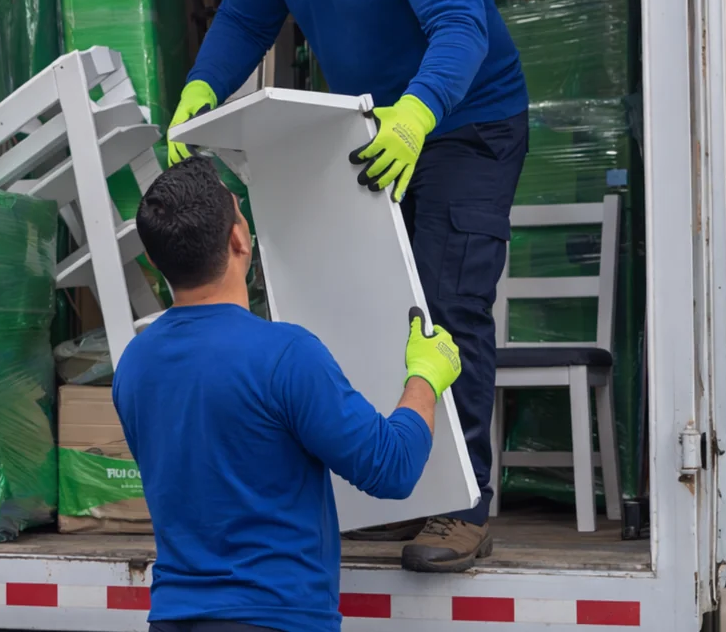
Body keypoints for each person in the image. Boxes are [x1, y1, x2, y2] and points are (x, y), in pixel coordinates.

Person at [164, 0, 528, 571]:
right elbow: (245, 18)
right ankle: (400, 490)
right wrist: (198, 90)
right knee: (367, 300)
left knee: (444, 300)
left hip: (466, 122)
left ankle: (462, 508)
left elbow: (460, 28)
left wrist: (417, 117)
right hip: (371, 130)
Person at [111, 157, 464, 632]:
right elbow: (392, 468)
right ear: (239, 239)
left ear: (154, 260)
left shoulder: (134, 364)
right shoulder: (285, 355)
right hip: (276, 618)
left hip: (174, 617)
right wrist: (426, 377)